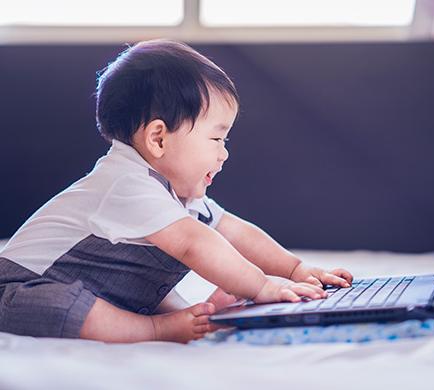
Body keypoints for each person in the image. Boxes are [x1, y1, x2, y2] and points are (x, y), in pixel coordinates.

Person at [0, 40, 352, 344]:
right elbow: (194, 243)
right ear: (158, 138)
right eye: (216, 138)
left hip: (95, 285)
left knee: (146, 285)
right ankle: (150, 329)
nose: (224, 152)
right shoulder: (126, 183)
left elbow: (232, 230)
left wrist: (294, 269)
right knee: (65, 306)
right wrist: (260, 286)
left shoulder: (176, 193)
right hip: (19, 290)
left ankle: (185, 313)